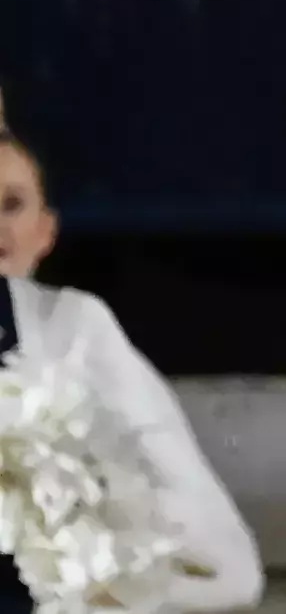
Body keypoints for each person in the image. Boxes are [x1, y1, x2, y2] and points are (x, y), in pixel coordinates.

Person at [0, 134, 264, 611]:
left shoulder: (76, 327)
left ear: (45, 231)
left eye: (12, 205)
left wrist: (98, 590)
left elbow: (216, 552)